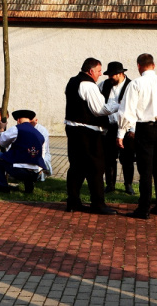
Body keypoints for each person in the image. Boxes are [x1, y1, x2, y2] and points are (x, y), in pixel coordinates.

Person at [118, 54, 157, 220]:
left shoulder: (136, 84)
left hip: (145, 128)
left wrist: (121, 133)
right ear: (154, 65)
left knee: (145, 170)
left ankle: (144, 208)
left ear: (138, 66)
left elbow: (127, 111)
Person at [64, 57, 119, 215]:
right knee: (96, 167)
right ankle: (98, 204)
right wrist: (118, 105)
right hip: (87, 132)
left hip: (73, 129)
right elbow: (99, 110)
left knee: (77, 166)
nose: (101, 74)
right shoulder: (88, 85)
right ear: (90, 71)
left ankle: (73, 201)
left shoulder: (72, 81)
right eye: (99, 71)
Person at [98, 61, 136, 195]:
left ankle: (128, 185)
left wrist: (133, 130)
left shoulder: (131, 86)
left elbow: (136, 109)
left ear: (120, 74)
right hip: (109, 127)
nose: (109, 78)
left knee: (127, 158)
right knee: (109, 158)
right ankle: (110, 184)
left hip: (127, 128)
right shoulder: (103, 85)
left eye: (112, 75)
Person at [0, 110, 46, 193]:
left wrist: (2, 129)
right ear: (30, 120)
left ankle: (3, 186)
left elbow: (2, 142)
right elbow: (43, 154)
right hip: (35, 173)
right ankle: (29, 189)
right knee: (29, 159)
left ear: (18, 120)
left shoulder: (17, 129)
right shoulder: (39, 134)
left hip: (18, 171)